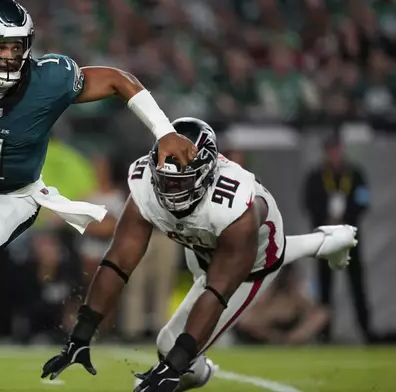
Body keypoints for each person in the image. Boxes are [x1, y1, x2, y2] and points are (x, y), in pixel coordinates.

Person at [0, 1, 197, 390]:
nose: (9, 56)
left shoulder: (49, 78)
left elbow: (118, 79)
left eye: (16, 46)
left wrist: (164, 130)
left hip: (14, 196)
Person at [41, 117, 358, 392]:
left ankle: (200, 372)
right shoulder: (145, 183)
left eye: (183, 179)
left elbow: (218, 290)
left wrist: (173, 367)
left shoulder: (238, 204)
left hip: (252, 262)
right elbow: (118, 261)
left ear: (208, 171)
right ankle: (330, 240)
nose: (171, 190)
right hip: (201, 244)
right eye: (165, 178)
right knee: (177, 344)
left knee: (169, 345)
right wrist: (81, 333)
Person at [303, 133, 374, 343]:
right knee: (325, 287)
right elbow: (308, 203)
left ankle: (366, 331)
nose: (334, 154)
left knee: (357, 285)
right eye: (331, 150)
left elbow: (363, 201)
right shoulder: (317, 176)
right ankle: (325, 334)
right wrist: (325, 218)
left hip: (349, 236)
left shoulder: (355, 174)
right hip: (325, 238)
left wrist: (346, 218)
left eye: (337, 149)